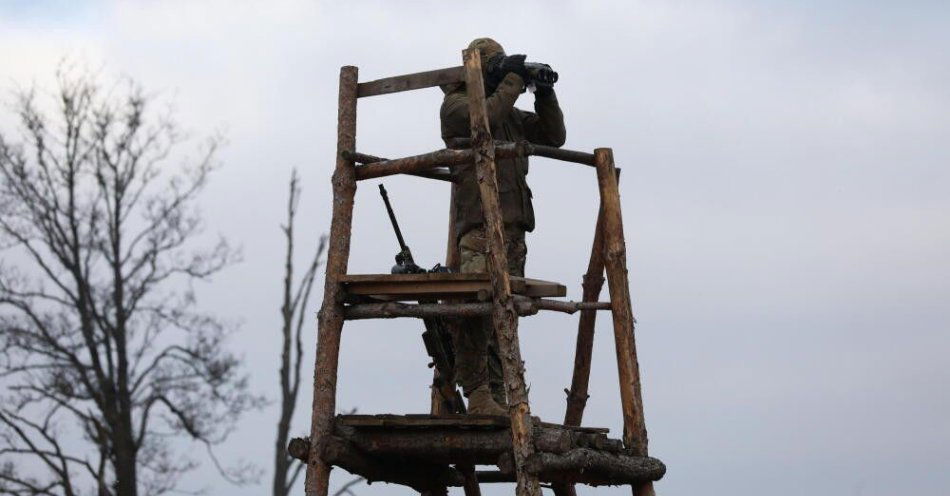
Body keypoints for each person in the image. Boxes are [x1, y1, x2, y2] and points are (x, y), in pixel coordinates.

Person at [440, 38, 566, 415]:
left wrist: (544, 92)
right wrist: (512, 80)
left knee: (503, 314)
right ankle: (478, 392)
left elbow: (554, 136)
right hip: (479, 226)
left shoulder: (507, 110)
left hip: (512, 229)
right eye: (493, 67)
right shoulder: (456, 105)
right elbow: (485, 119)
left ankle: (499, 394)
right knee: (476, 311)